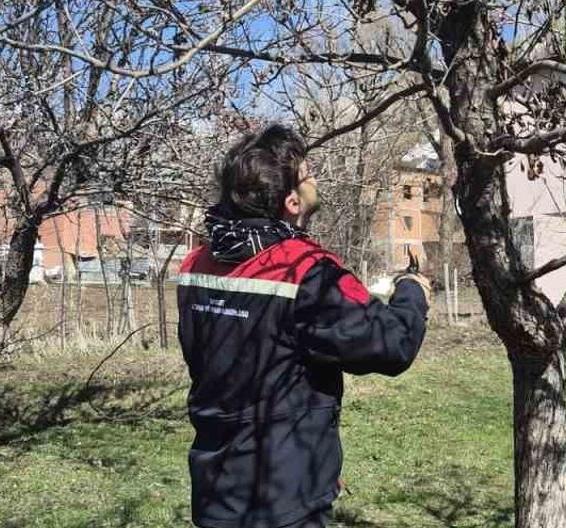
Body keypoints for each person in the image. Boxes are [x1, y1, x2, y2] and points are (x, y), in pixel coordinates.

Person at [176, 124, 431, 528]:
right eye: (310, 174)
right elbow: (392, 343)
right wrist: (412, 291)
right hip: (283, 497)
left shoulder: (195, 266)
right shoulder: (305, 271)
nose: (316, 180)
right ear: (292, 201)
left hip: (216, 489)